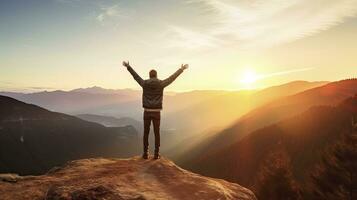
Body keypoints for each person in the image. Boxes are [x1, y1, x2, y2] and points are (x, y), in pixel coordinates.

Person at [123, 61, 188, 159]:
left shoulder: (144, 83)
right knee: (157, 133)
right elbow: (172, 78)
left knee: (146, 133)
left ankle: (145, 154)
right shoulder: (161, 84)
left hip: (147, 112)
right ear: (156, 75)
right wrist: (181, 69)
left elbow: (135, 76)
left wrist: (128, 66)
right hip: (157, 112)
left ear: (149, 76)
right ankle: (156, 154)